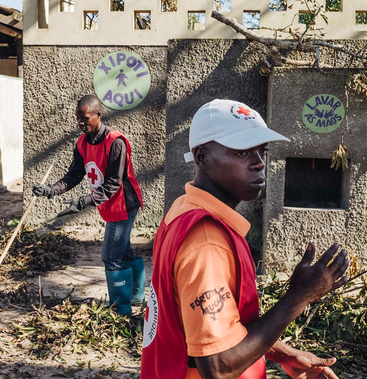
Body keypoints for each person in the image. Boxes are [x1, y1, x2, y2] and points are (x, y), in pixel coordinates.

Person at [141, 99, 349, 379]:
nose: (259, 163)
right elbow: (218, 366)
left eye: (261, 150)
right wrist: (299, 297)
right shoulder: (207, 243)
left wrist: (282, 353)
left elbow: (211, 326)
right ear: (201, 157)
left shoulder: (183, 209)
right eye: (241, 152)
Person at [32, 94, 145, 316]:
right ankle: (136, 297)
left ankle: (121, 310)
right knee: (123, 250)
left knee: (111, 256)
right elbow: (75, 174)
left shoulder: (116, 142)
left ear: (98, 115)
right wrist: (51, 190)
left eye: (85, 118)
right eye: (78, 119)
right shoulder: (83, 142)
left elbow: (114, 184)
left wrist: (83, 202)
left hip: (124, 204)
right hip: (108, 204)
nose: (81, 123)